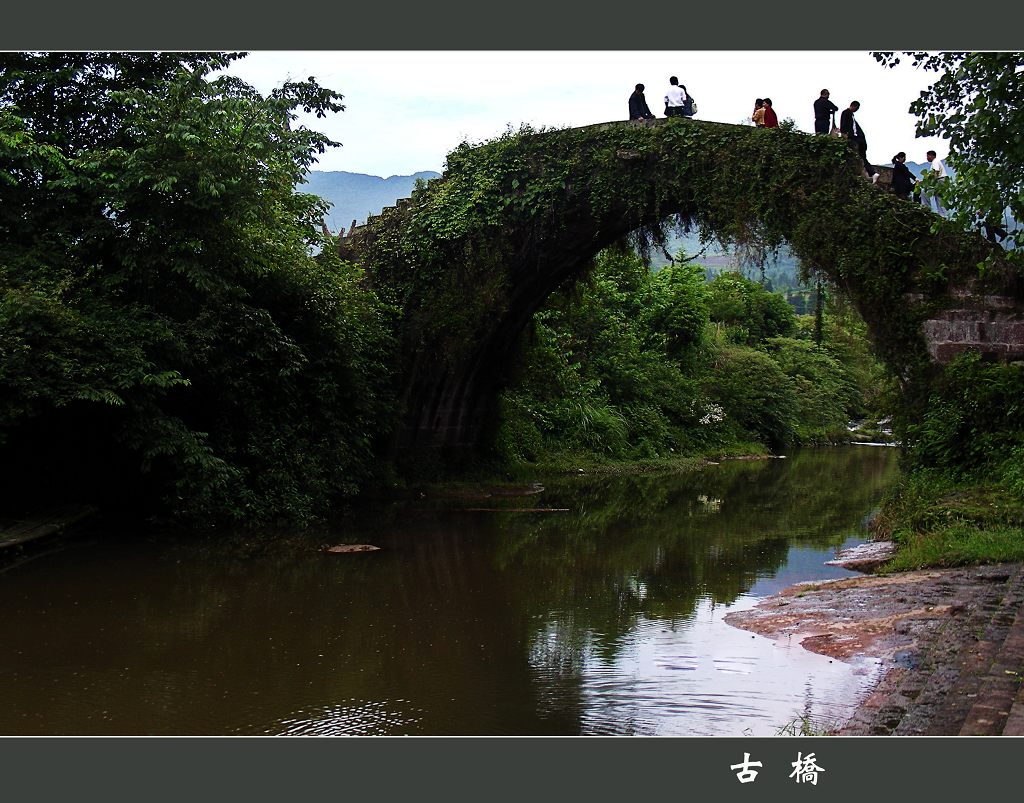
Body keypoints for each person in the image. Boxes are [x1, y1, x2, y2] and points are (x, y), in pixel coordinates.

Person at [840, 101, 880, 183]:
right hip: (861, 139)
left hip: (856, 139)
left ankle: (864, 174)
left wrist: (842, 133)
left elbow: (844, 127)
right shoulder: (850, 114)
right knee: (862, 157)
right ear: (853, 106)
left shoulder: (846, 113)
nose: (856, 110)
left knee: (853, 155)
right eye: (856, 108)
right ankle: (872, 173)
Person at [920, 150, 948, 217]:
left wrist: (933, 182)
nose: (927, 158)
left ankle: (926, 209)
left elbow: (936, 171)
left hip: (939, 180)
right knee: (939, 198)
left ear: (931, 156)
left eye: (927, 156)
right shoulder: (937, 161)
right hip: (943, 181)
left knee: (924, 192)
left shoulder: (935, 162)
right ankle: (943, 215)